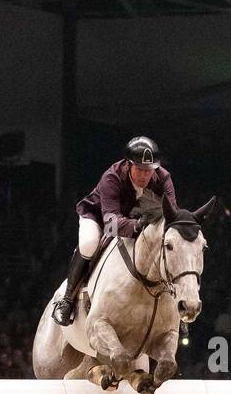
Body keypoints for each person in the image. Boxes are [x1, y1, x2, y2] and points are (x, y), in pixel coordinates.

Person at [50, 136, 178, 326]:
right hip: (99, 218)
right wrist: (136, 226)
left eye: (149, 170)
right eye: (140, 170)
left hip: (137, 221)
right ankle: (66, 300)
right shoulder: (112, 177)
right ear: (128, 164)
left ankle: (175, 306)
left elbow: (171, 214)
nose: (145, 175)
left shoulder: (163, 178)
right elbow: (111, 223)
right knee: (88, 244)